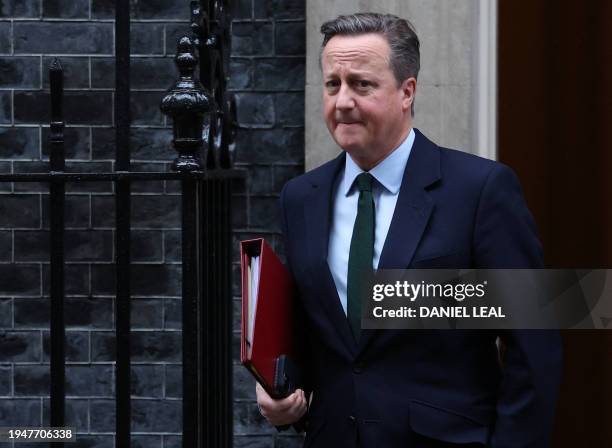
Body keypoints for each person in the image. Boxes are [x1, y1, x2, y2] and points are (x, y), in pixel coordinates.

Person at [256, 12, 562, 448]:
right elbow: (315, 329)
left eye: (361, 84)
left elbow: (534, 348)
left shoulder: (480, 190)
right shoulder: (299, 197)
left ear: (407, 91)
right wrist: (280, 390)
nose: (342, 101)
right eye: (332, 84)